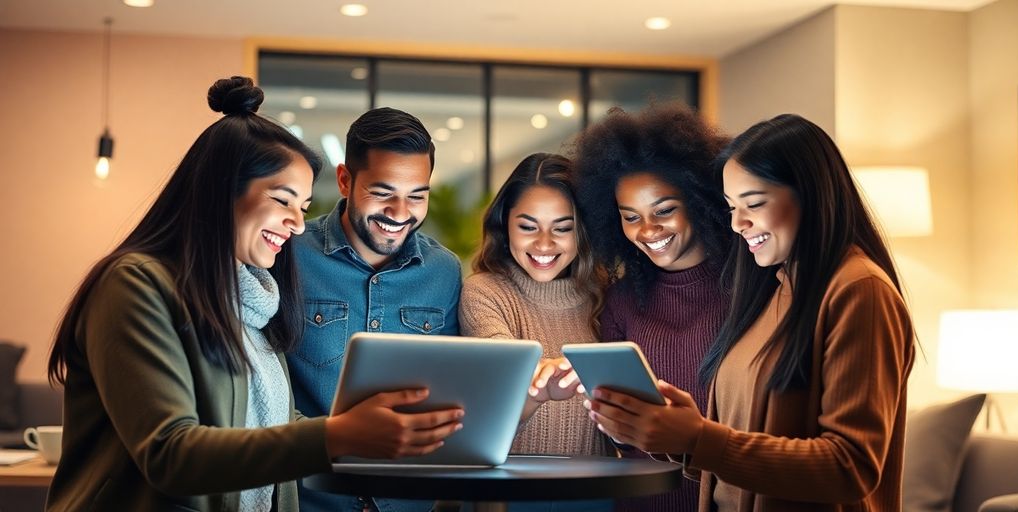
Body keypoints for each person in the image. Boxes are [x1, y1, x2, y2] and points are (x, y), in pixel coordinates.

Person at [43, 77, 463, 512]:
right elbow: (170, 454)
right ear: (224, 189)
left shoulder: (253, 297)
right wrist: (339, 434)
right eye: (284, 201)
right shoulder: (134, 285)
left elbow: (274, 417)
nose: (298, 225)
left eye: (302, 207)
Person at [585, 113, 916, 512]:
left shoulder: (859, 291)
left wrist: (698, 439)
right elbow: (748, 449)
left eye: (754, 204)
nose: (738, 223)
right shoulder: (775, 291)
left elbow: (850, 467)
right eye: (730, 207)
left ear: (811, 194)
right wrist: (681, 438)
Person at [288, 107, 463, 512]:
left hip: (408, 502)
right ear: (346, 180)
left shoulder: (445, 272)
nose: (401, 213)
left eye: (417, 196)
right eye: (383, 193)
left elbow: (454, 389)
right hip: (312, 500)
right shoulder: (290, 254)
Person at [571, 103, 732, 511]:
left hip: (728, 496)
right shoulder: (621, 299)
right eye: (630, 216)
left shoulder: (744, 290)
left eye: (663, 210)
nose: (647, 230)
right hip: (640, 502)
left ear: (698, 200)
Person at [459, 152, 611, 511]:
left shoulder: (606, 295)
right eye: (528, 227)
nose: (544, 244)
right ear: (504, 224)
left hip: (596, 494)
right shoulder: (484, 292)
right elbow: (493, 407)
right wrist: (542, 389)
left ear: (583, 229)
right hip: (509, 496)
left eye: (562, 227)